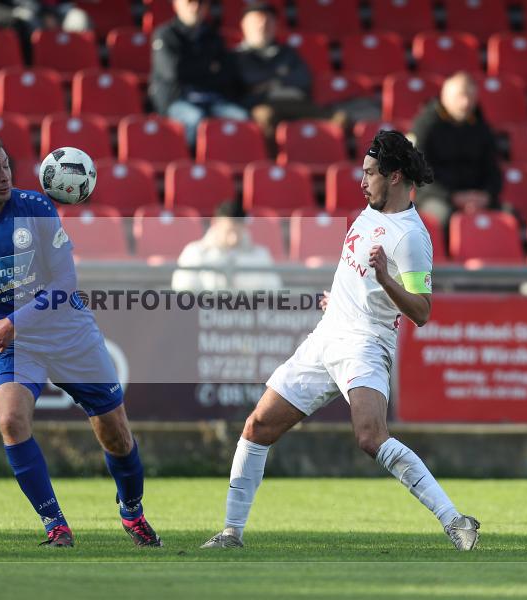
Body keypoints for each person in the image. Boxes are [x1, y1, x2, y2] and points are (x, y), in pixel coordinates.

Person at [201, 131, 481, 551]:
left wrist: (386, 279)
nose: (362, 181)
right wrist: (344, 296)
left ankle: (456, 521)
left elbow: (422, 311)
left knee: (370, 437)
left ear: (395, 175)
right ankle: (230, 533)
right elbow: (358, 275)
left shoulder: (411, 237)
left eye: (370, 173)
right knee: (257, 426)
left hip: (365, 344)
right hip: (327, 335)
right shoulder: (368, 213)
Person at [0, 131, 161, 548]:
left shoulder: (37, 208)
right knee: (10, 419)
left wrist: (14, 321)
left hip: (66, 331)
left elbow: (66, 281)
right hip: (15, 345)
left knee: (116, 433)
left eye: (6, 165)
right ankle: (55, 524)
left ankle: (132, 512)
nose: (5, 176)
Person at [234, 2, 339, 150]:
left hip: (293, 102)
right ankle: (272, 165)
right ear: (244, 25)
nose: (262, 26)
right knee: (265, 116)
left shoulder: (288, 53)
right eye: (256, 21)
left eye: (268, 21)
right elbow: (243, 83)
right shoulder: (235, 57)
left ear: (275, 25)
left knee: (339, 119)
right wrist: (277, 82)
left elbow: (303, 79)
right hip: (260, 104)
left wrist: (268, 84)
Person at [149, 0, 248, 146]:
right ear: (176, 4)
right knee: (195, 119)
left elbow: (225, 73)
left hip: (211, 98)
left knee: (242, 118)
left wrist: (192, 66)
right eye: (189, 2)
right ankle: (192, 166)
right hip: (177, 100)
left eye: (201, 3)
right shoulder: (166, 34)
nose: (195, 7)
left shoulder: (213, 36)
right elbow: (173, 72)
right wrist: (209, 67)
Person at [411, 72, 502, 225]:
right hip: (437, 197)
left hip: (476, 197)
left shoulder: (481, 127)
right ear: (445, 96)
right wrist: (451, 196)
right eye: (460, 96)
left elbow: (493, 170)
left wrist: (486, 196)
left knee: (507, 216)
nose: (465, 103)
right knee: (442, 216)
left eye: (470, 97)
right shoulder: (425, 125)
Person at [171, 201, 283, 292]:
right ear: (215, 224)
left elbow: (273, 293)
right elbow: (183, 293)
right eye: (229, 231)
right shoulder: (194, 253)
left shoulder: (260, 255)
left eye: (238, 231)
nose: (233, 238)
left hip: (250, 317)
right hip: (205, 315)